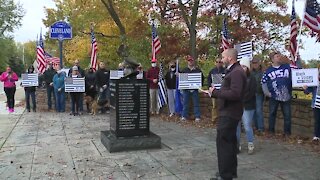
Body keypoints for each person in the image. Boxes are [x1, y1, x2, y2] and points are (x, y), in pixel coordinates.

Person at [209, 48, 246, 180]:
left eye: (223, 57)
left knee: (224, 143)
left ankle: (225, 176)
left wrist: (216, 93)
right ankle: (230, 172)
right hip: (228, 111)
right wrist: (215, 91)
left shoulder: (236, 72)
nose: (222, 59)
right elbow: (229, 90)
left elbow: (235, 94)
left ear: (230, 58)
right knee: (230, 143)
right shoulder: (233, 71)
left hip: (230, 113)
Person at [261, 51, 292, 137]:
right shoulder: (268, 71)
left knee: (287, 115)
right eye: (277, 56)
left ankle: (287, 133)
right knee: (272, 114)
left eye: (279, 56)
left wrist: (297, 58)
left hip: (286, 96)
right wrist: (267, 93)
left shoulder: (287, 67)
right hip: (274, 96)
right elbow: (263, 82)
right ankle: (271, 131)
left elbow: (298, 70)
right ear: (272, 59)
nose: (279, 57)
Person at [236, 57, 256, 155]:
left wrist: (241, 100)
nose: (242, 68)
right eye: (241, 66)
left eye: (244, 66)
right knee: (237, 126)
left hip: (248, 106)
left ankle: (250, 143)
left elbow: (251, 93)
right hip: (236, 105)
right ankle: (237, 145)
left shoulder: (251, 79)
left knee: (247, 126)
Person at [181, 55, 204, 122]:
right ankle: (184, 116)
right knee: (185, 103)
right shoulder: (184, 70)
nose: (190, 62)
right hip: (186, 90)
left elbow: (201, 79)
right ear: (187, 62)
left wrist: (199, 87)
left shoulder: (198, 70)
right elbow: (182, 80)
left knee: (196, 103)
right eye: (189, 61)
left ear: (193, 61)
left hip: (195, 90)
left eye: (191, 60)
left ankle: (197, 116)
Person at [302, 72, 320, 142]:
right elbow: (307, 92)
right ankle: (316, 136)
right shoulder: (315, 81)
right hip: (316, 104)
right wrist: (305, 88)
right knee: (317, 121)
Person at [207, 57, 225, 122]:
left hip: (222, 91)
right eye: (217, 62)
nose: (218, 63)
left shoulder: (225, 70)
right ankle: (214, 119)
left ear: (222, 63)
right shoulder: (212, 71)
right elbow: (209, 80)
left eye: (219, 62)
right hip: (214, 91)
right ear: (215, 63)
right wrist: (209, 87)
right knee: (214, 105)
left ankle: (222, 118)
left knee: (223, 105)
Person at [251, 57, 265, 134]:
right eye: (253, 63)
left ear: (259, 63)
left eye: (256, 63)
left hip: (259, 93)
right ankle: (255, 127)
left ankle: (260, 128)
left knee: (259, 111)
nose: (255, 64)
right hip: (251, 94)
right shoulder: (250, 73)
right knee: (253, 111)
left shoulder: (262, 72)